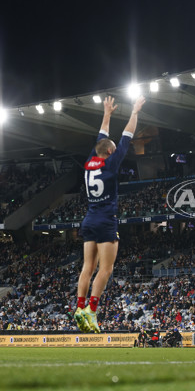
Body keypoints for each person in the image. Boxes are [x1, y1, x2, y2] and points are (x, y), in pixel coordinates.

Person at [74, 95, 146, 333]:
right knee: (106, 269)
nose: (116, 149)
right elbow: (127, 135)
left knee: (87, 267)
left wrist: (107, 114)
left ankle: (79, 307)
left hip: (89, 219)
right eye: (113, 148)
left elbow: (101, 137)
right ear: (110, 151)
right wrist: (134, 111)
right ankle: (92, 312)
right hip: (106, 220)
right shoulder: (111, 163)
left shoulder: (89, 162)